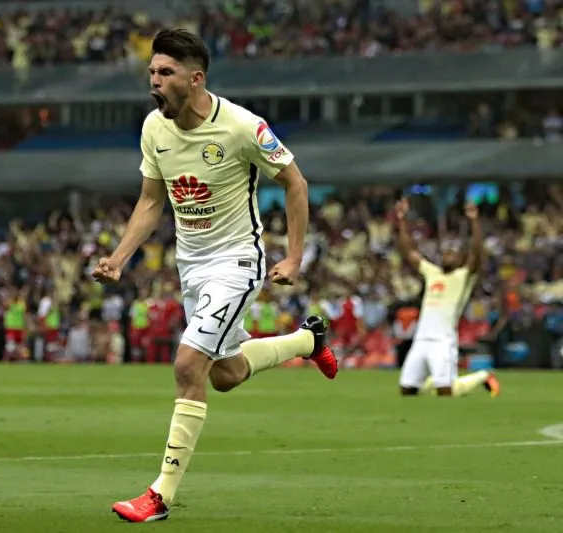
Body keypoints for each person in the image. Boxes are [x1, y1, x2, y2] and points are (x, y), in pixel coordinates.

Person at [91, 28, 337, 523]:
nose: (154, 81)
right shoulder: (153, 129)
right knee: (223, 375)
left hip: (237, 261)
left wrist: (293, 258)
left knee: (187, 367)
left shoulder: (242, 127)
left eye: (165, 73)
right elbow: (151, 200)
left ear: (195, 78)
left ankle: (159, 495)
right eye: (152, 73)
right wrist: (119, 257)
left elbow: (295, 181)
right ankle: (306, 343)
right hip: (192, 265)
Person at [394, 198, 500, 397]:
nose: (447, 256)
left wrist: (475, 222)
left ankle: (482, 376)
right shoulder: (432, 272)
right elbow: (408, 252)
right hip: (421, 339)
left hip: (443, 341)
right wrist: (401, 221)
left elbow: (477, 253)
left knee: (445, 390)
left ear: (460, 259)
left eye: (452, 254)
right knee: (407, 389)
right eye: (445, 253)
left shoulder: (463, 276)